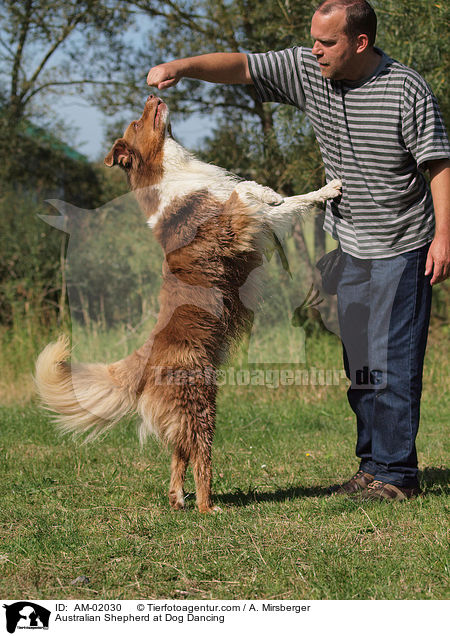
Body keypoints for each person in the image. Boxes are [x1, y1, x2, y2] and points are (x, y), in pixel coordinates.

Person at [147, 0, 450, 501]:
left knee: (394, 362)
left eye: (327, 42)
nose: (315, 49)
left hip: (404, 243)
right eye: (313, 38)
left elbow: (439, 164)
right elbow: (244, 66)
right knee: (361, 365)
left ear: (360, 43)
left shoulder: (406, 89)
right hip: (350, 243)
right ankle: (372, 466)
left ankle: (397, 476)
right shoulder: (309, 70)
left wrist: (444, 236)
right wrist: (183, 67)